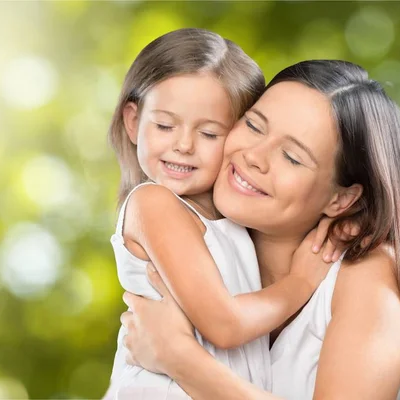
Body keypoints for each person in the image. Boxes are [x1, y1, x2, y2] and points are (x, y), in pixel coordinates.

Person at [121, 60, 400, 399]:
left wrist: (180, 360)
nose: (254, 157)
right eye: (253, 126)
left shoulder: (367, 271)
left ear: (341, 199)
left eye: (292, 158)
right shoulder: (200, 243)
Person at [106, 29, 347, 399]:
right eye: (166, 125)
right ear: (134, 121)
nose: (183, 145)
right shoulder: (152, 203)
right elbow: (225, 325)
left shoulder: (233, 220)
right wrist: (300, 281)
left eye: (209, 133)